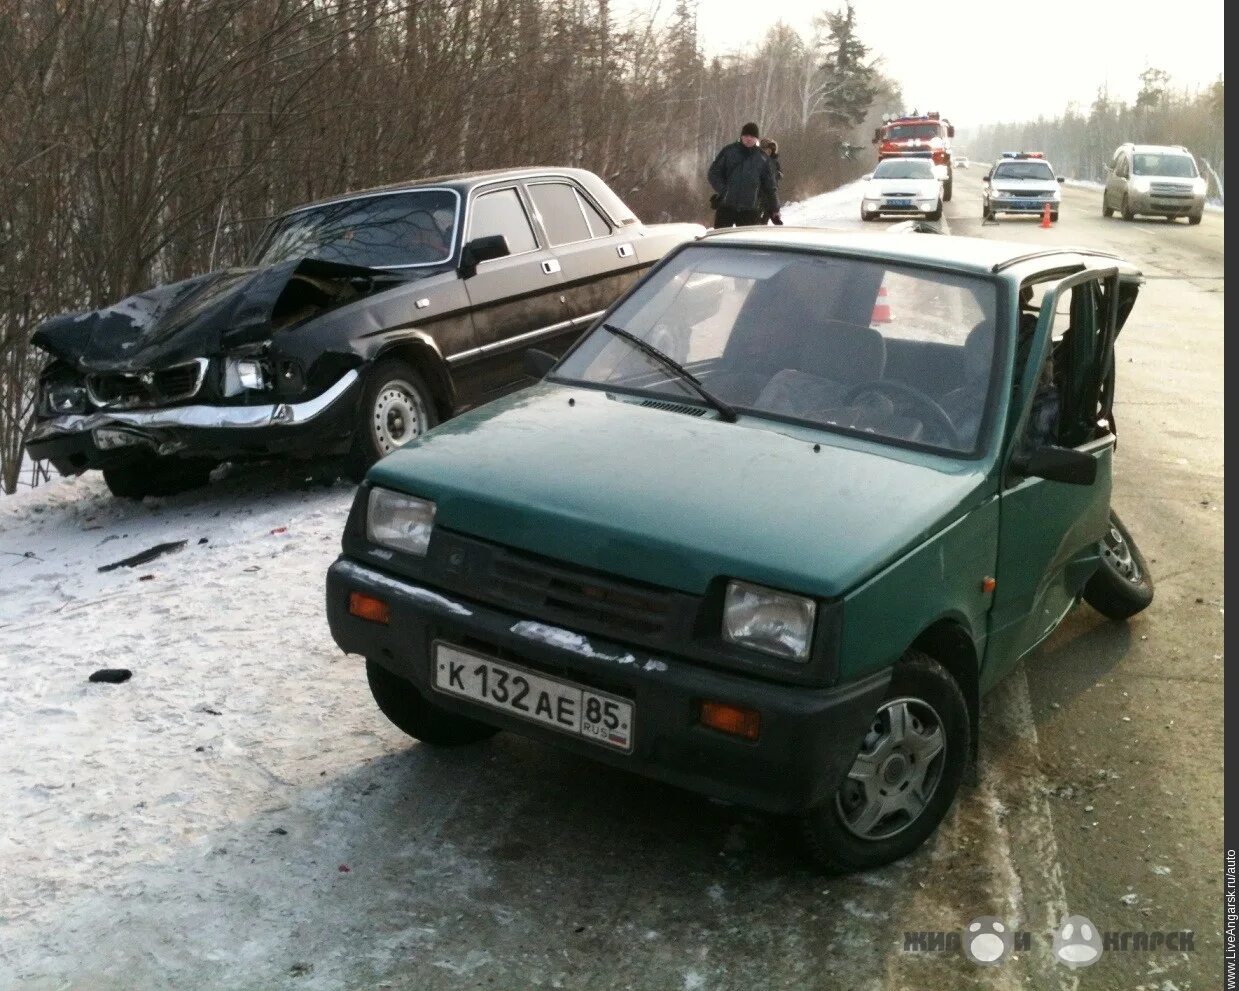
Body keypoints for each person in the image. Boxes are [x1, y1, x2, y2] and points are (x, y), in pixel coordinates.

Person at [707, 122, 781, 228]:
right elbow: (713, 173)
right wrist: (724, 190)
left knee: (747, 241)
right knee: (721, 240)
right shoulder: (729, 152)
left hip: (749, 210)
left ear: (756, 139)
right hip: (726, 207)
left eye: (752, 136)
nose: (749, 139)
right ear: (741, 136)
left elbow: (770, 186)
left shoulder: (762, 158)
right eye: (746, 135)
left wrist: (775, 209)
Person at [758, 138, 783, 224]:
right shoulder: (757, 162)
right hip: (759, 197)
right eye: (765, 150)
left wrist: (778, 174)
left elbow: (778, 175)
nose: (767, 152)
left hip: (770, 196)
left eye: (769, 150)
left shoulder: (774, 162)